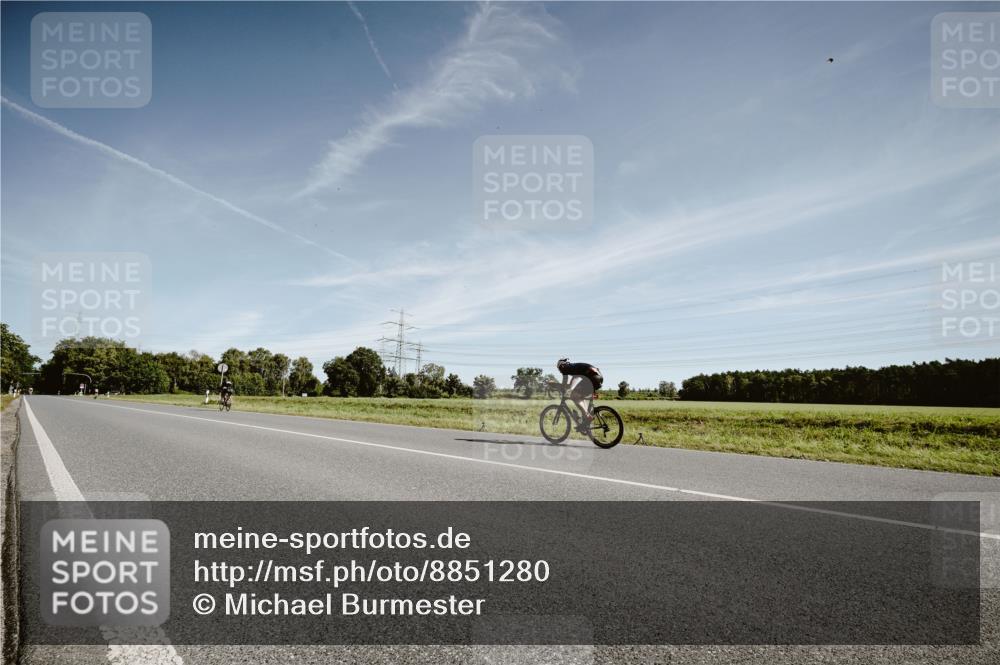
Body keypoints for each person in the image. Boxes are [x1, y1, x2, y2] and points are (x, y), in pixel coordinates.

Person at [556, 358, 603, 430]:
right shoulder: (573, 367)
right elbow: (567, 381)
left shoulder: (568, 368)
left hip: (592, 378)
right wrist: (566, 388)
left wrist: (569, 389)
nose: (560, 371)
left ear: (562, 366)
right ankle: (585, 419)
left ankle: (587, 416)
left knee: (573, 395)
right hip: (598, 378)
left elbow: (573, 379)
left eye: (559, 369)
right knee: (579, 396)